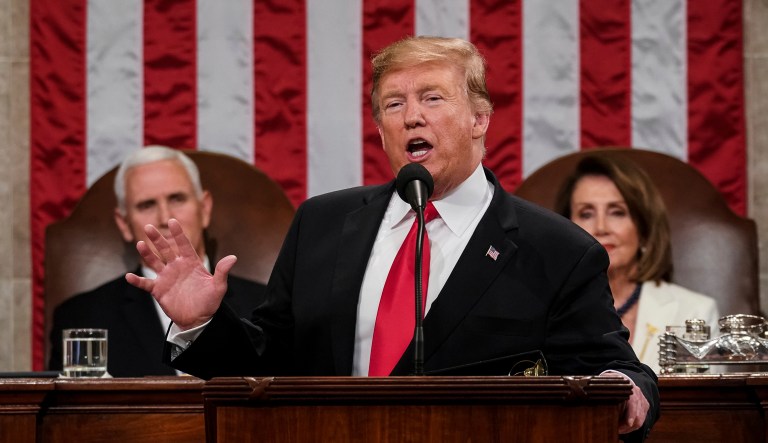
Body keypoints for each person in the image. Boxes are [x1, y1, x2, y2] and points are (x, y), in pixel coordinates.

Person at [127, 37, 658, 439]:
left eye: (432, 98)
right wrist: (202, 324)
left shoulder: (558, 250)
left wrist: (628, 391)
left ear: (480, 119)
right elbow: (270, 367)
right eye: (394, 104)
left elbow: (617, 371)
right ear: (381, 130)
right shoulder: (322, 224)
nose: (412, 117)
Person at [48, 146, 267, 377]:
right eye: (147, 205)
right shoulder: (81, 317)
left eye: (177, 199)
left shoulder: (265, 307)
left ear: (204, 208)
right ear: (124, 224)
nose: (165, 217)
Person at [554, 153, 720, 373]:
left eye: (617, 212)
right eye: (586, 214)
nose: (601, 227)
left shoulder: (695, 312)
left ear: (643, 229)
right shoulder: (544, 313)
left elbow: (709, 395)